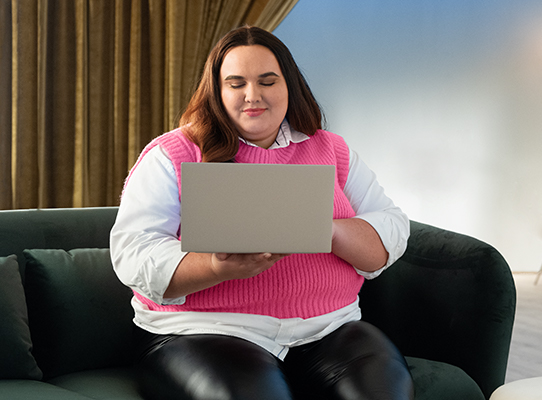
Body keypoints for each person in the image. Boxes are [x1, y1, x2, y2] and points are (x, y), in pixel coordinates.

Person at [110, 25, 414, 400]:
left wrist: (325, 229)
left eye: (267, 81)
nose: (252, 96)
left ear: (290, 87)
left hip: (330, 328)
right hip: (206, 330)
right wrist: (216, 267)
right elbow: (134, 252)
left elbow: (390, 226)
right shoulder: (172, 154)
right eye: (236, 84)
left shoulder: (332, 150)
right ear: (217, 92)